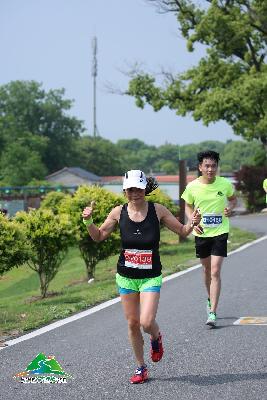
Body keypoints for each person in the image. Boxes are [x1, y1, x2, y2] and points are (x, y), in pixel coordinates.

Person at [82, 169, 201, 384]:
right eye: (130, 189)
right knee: (132, 324)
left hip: (150, 276)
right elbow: (98, 236)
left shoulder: (158, 210)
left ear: (145, 188)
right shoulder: (118, 212)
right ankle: (140, 367)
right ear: (125, 191)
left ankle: (156, 337)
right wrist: (88, 221)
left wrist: (192, 222)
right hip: (126, 277)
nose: (134, 193)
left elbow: (183, 231)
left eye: (138, 188)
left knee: (146, 322)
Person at [181, 151, 237, 327]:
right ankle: (209, 298)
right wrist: (192, 221)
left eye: (213, 166)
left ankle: (212, 311)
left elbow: (233, 200)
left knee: (215, 271)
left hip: (220, 231)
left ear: (217, 167)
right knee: (206, 271)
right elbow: (187, 206)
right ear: (200, 167)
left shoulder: (225, 184)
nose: (210, 169)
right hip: (201, 233)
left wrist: (230, 208)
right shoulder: (192, 187)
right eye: (207, 166)